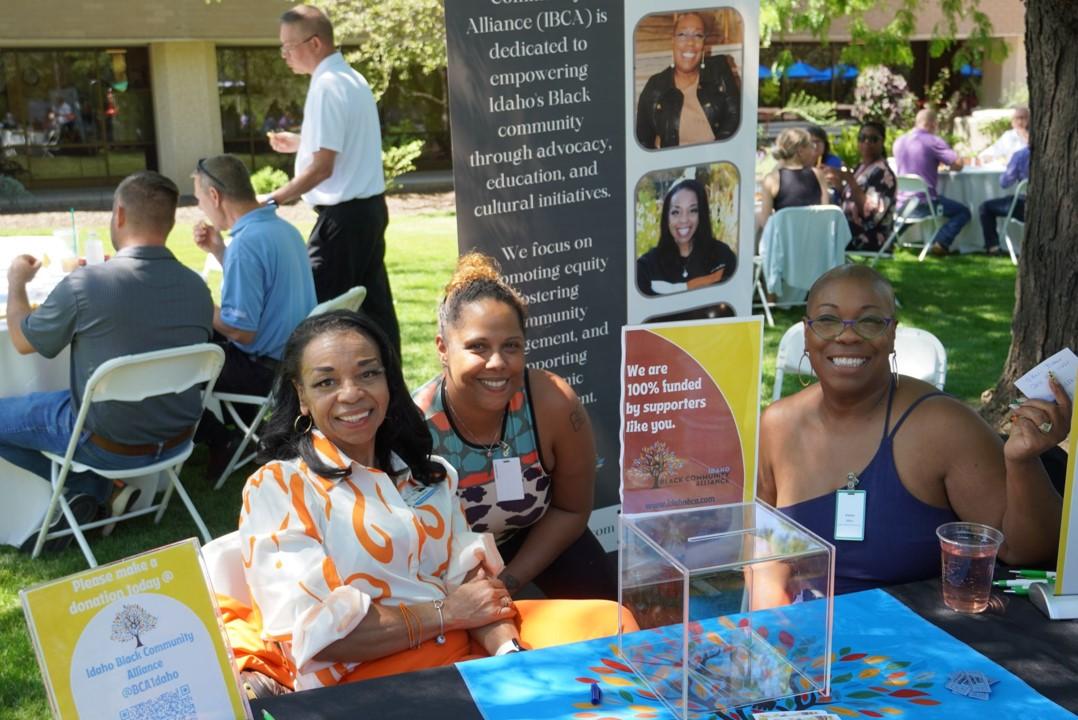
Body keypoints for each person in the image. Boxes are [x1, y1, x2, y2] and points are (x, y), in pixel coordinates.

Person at [227, 311, 631, 694]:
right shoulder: (279, 488)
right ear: (301, 396)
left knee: (613, 627)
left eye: (368, 373)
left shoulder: (427, 474)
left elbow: (471, 586)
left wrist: (508, 655)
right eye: (326, 382)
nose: (351, 393)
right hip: (372, 677)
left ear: (388, 382)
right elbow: (322, 635)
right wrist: (447, 614)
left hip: (467, 646)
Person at [757, 264, 1068, 597]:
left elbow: (1025, 552)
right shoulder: (777, 425)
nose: (847, 335)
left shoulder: (942, 426)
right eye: (828, 320)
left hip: (917, 639)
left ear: (892, 335)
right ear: (807, 333)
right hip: (804, 636)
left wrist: (1023, 462)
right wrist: (768, 637)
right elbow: (765, 562)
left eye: (870, 321)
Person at [1, 171, 213, 547]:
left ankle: (89, 484)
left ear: (118, 215)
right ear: (169, 222)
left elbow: (20, 340)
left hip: (108, 442)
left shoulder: (87, 285)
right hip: (177, 437)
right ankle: (105, 490)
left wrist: (16, 280)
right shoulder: (197, 287)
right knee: (63, 404)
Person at [413, 253, 616, 600]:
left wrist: (509, 582)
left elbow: (571, 509)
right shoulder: (415, 428)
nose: (497, 363)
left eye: (511, 346)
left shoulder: (552, 403)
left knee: (609, 617)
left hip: (536, 533)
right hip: (447, 562)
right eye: (478, 347)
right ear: (443, 348)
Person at [264, 5, 401, 355]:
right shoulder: (351, 79)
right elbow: (341, 148)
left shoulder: (326, 85)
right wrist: (300, 143)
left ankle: (308, 403)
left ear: (313, 43)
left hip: (343, 220)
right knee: (374, 314)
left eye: (287, 46)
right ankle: (394, 398)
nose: (284, 55)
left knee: (316, 321)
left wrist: (272, 200)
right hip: (367, 212)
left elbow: (322, 167)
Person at [190, 154, 317, 478]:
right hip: (297, 356)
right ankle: (241, 434)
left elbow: (241, 330)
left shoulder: (247, 243)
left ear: (215, 197)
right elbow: (266, 288)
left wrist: (192, 301)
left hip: (264, 370)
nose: (201, 206)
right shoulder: (283, 229)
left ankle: (224, 439)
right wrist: (220, 252)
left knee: (173, 366)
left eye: (200, 199)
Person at [635, 11, 739, 149]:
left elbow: (735, 119)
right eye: (682, 35)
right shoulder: (655, 87)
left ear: (704, 44)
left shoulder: (719, 69)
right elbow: (643, 142)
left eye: (698, 35)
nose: (690, 42)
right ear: (673, 41)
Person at [636, 177, 738, 296]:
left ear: (702, 214)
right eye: (676, 212)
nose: (684, 219)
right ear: (666, 217)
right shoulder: (646, 267)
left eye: (693, 210)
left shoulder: (723, 257)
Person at [893, 108, 970, 256]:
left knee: (906, 217)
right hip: (924, 202)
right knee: (963, 212)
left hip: (902, 202)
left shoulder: (899, 141)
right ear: (932, 124)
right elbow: (958, 164)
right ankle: (941, 242)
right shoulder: (932, 141)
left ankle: (889, 241)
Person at [826, 121, 897, 252]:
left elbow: (870, 215)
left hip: (871, 236)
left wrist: (850, 180)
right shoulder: (862, 167)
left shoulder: (883, 174)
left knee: (823, 237)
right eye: (862, 138)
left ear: (882, 142)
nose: (866, 142)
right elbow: (849, 200)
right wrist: (837, 183)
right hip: (850, 228)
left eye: (873, 139)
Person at [756, 127, 829, 229]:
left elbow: (765, 222)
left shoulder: (771, 180)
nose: (813, 150)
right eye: (810, 146)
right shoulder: (818, 175)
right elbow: (826, 214)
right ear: (800, 151)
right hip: (815, 240)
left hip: (785, 242)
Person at [979, 145, 1029, 255]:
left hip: (1025, 208)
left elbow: (1005, 183)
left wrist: (1009, 166)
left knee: (985, 207)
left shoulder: (1021, 155)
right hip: (1050, 208)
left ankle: (993, 247)